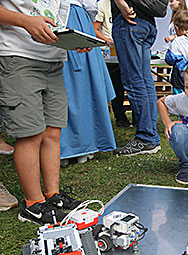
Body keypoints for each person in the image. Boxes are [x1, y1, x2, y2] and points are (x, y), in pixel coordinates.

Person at [0, 1, 85, 225]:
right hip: (18, 55)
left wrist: (73, 40)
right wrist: (26, 22)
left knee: (52, 133)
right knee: (30, 134)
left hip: (53, 59)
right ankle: (33, 205)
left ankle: (53, 196)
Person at [60, 0, 116, 162]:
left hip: (56, 18)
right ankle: (85, 145)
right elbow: (91, 5)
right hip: (76, 20)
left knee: (65, 84)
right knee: (84, 86)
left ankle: (63, 147)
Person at [112, 0, 165, 156]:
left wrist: (120, 2)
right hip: (147, 23)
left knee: (134, 81)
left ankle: (146, 137)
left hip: (129, 21)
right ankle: (150, 135)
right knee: (145, 81)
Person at [93, 0, 131, 128]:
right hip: (111, 51)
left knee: (133, 84)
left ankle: (138, 117)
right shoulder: (102, 4)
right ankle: (120, 117)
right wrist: (109, 41)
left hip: (128, 48)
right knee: (116, 86)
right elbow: (95, 29)